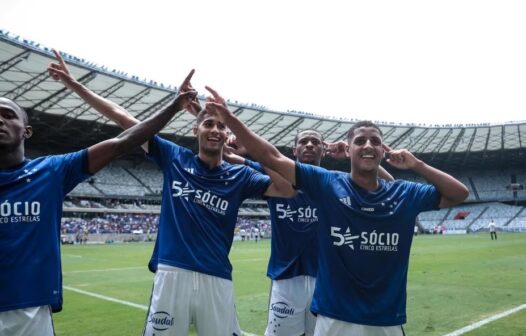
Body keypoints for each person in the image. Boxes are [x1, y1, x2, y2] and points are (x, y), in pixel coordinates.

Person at [49, 52, 295, 336]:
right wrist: (75, 85)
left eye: (221, 126)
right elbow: (123, 118)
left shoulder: (241, 175)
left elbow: (287, 187)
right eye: (208, 124)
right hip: (171, 273)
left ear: (228, 134)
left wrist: (247, 152)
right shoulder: (175, 158)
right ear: (196, 129)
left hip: (217, 278)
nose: (214, 129)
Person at [205, 92, 469, 336]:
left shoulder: (383, 190)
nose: (368, 145)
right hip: (316, 300)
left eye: (375, 141)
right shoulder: (325, 183)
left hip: (371, 309)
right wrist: (229, 123)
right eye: (360, 141)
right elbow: (270, 157)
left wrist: (414, 163)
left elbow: (454, 193)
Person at [0, 52, 198, 336]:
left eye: (8, 115)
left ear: (27, 131)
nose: (0, 121)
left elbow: (121, 142)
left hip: (28, 309)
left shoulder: (51, 171)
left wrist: (174, 106)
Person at [225, 132, 393, 336]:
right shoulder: (275, 176)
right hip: (286, 278)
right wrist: (240, 147)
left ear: (324, 149)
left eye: (315, 142)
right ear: (294, 150)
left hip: (327, 281)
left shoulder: (337, 182)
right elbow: (238, 158)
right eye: (303, 142)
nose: (310, 145)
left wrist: (351, 154)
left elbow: (388, 186)